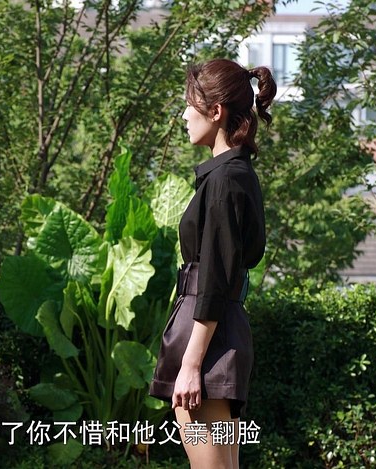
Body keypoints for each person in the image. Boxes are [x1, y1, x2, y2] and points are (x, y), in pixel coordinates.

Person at [149, 58, 275, 468]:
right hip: (219, 335)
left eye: (190, 104)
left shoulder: (224, 182)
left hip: (206, 342)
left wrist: (190, 364)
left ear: (216, 111)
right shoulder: (235, 176)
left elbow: (216, 279)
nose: (184, 115)